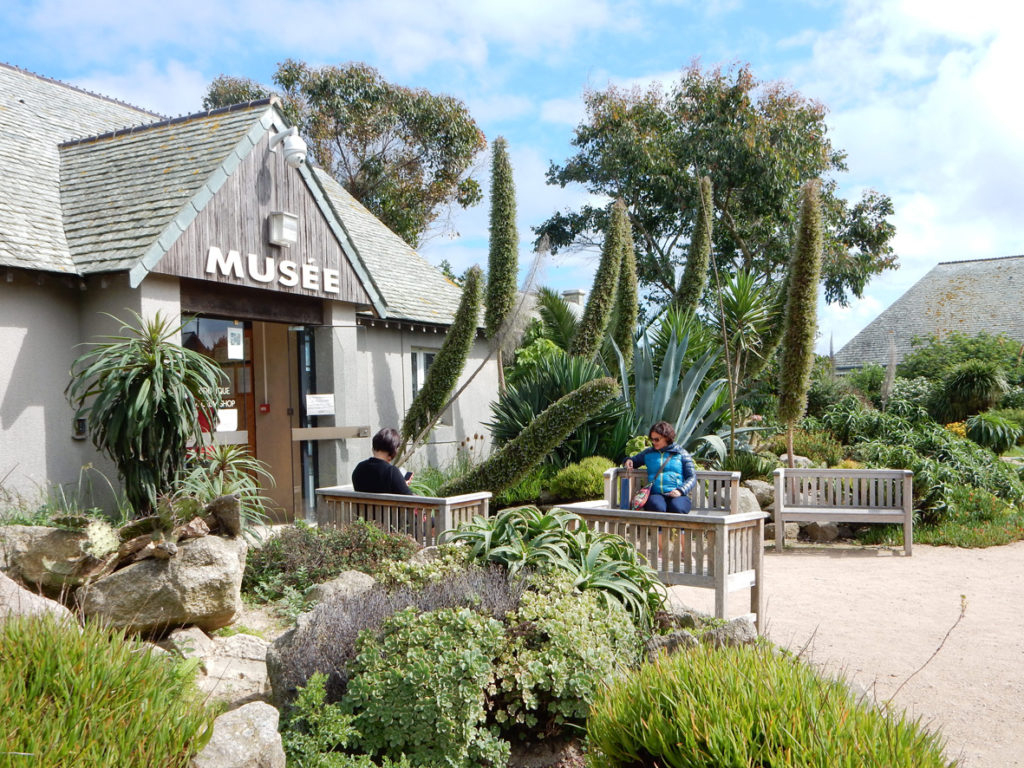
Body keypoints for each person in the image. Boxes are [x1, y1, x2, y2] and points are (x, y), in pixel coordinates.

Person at [624, 421, 696, 513]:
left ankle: (677, 528)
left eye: (657, 439)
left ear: (667, 437)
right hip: (656, 494)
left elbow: (692, 477)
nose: (653, 442)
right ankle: (659, 528)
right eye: (652, 439)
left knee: (678, 508)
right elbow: (633, 460)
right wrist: (628, 460)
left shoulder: (681, 453)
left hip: (678, 495)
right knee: (657, 507)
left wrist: (681, 491)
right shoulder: (648, 453)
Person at [351, 427, 414, 494]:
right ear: (393, 452)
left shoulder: (359, 468)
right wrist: (402, 485)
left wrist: (401, 484)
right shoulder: (391, 472)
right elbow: (412, 500)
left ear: (373, 448)